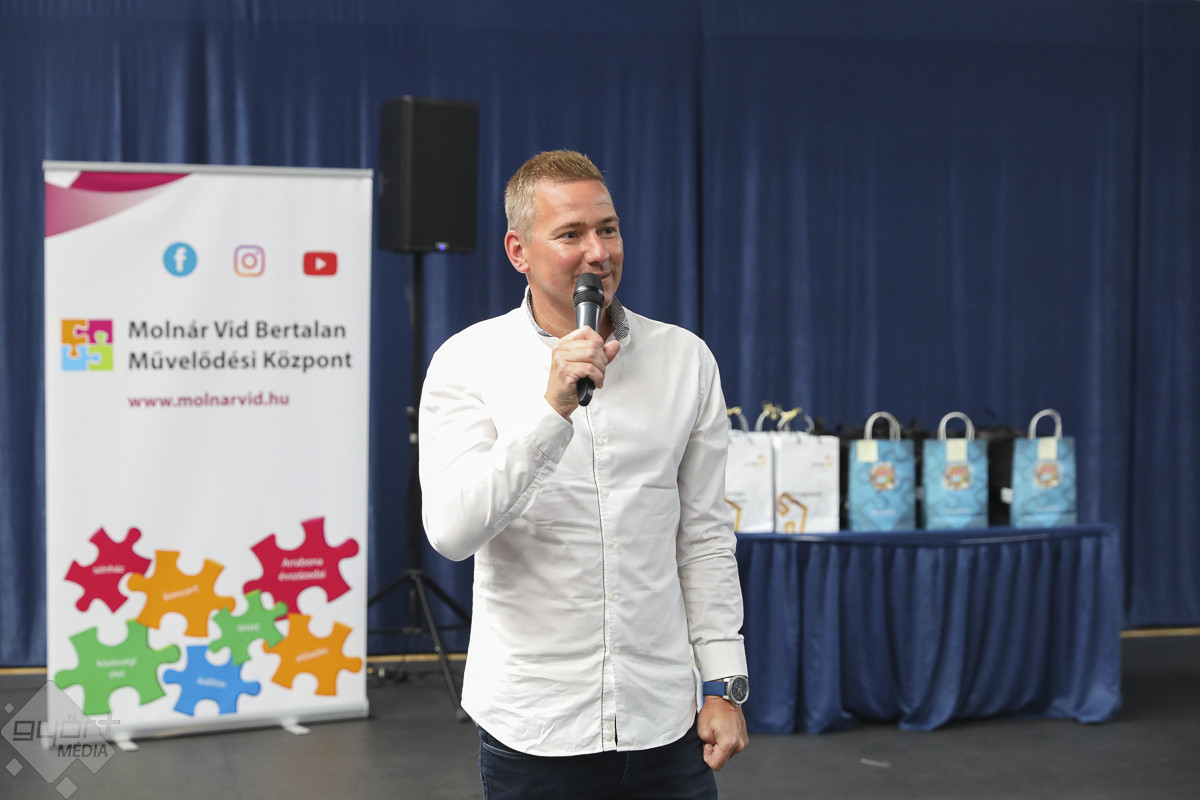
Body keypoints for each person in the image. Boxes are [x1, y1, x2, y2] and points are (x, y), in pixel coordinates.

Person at [418, 150, 748, 799]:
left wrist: (723, 685)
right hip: (536, 724)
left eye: (608, 229)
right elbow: (452, 532)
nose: (598, 252)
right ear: (519, 251)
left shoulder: (684, 359)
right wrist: (551, 412)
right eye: (571, 234)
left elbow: (704, 536)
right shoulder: (468, 361)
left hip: (665, 720)